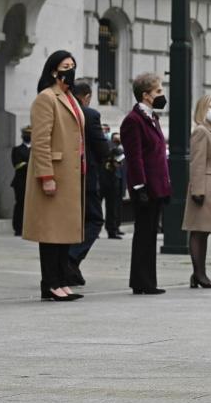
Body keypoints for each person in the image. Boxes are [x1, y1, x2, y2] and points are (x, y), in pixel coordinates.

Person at [22, 51, 85, 302]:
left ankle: (61, 280)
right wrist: (46, 175)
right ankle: (50, 282)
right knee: (50, 232)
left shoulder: (70, 97)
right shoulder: (46, 98)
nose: (70, 70)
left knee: (64, 232)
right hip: (54, 173)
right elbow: (40, 141)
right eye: (65, 66)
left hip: (71, 173)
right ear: (53, 70)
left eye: (72, 66)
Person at [120, 73, 172, 295]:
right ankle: (142, 281)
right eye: (158, 91)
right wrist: (139, 186)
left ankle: (147, 280)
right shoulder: (133, 120)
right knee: (143, 235)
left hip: (157, 185)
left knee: (151, 235)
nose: (162, 95)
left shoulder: (152, 118)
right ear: (146, 95)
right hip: (145, 187)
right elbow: (136, 157)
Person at [66, 81, 110, 285]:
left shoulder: (62, 110)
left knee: (74, 220)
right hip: (87, 174)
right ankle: (72, 257)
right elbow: (101, 147)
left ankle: (70, 265)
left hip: (66, 174)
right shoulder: (90, 115)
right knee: (94, 219)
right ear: (86, 97)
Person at [184, 94, 211, 288]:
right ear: (203, 109)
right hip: (205, 185)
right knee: (198, 231)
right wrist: (198, 190)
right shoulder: (201, 131)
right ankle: (199, 275)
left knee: (205, 231)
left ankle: (199, 274)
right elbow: (197, 162)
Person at [102, 132, 125, 239]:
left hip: (114, 179)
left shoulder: (115, 147)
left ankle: (113, 229)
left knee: (113, 207)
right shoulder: (109, 146)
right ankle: (111, 229)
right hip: (108, 179)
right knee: (111, 207)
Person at [10, 126, 31, 237]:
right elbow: (17, 164)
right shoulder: (17, 150)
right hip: (20, 182)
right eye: (26, 134)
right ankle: (18, 228)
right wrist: (29, 164)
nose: (28, 136)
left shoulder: (35, 149)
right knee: (20, 205)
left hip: (32, 182)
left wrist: (26, 164)